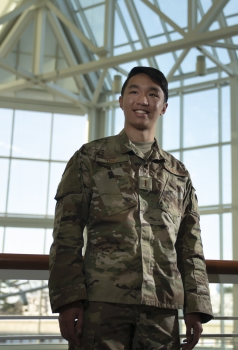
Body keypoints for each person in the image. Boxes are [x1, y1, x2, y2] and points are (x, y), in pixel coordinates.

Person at [49, 66, 213, 350]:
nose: (143, 100)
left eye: (153, 94)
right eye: (134, 92)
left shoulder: (178, 174)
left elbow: (190, 246)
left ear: (163, 107)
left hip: (162, 310)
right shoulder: (89, 158)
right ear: (121, 101)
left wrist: (196, 306)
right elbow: (67, 232)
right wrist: (69, 299)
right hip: (101, 306)